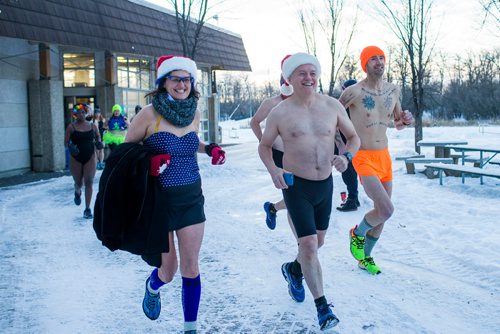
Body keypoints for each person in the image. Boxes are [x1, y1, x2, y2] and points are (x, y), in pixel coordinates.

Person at [258, 52, 360, 331]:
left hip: (324, 184)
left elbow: (353, 137)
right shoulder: (280, 112)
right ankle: (323, 308)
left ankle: (293, 269)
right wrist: (274, 171)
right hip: (295, 184)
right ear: (288, 78)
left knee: (319, 242)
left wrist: (346, 157)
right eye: (301, 73)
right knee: (309, 245)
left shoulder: (332, 106)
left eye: (312, 73)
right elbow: (264, 146)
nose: (309, 78)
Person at [124, 55, 225, 334]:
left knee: (190, 267)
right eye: (175, 78)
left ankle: (190, 328)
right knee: (168, 271)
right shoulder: (148, 114)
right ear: (163, 82)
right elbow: (124, 156)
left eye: (186, 79)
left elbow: (192, 142)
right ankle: (152, 286)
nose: (182, 84)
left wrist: (210, 149)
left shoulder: (193, 111)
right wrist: (149, 163)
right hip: (158, 201)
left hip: (191, 197)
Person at [339, 46, 414, 275]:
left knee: (381, 215)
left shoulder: (393, 90)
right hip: (362, 155)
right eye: (373, 58)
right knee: (386, 209)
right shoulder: (353, 91)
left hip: (384, 157)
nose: (379, 61)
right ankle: (357, 234)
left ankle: (366, 258)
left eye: (382, 57)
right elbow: (331, 116)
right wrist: (342, 146)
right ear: (365, 64)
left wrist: (406, 120)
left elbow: (397, 123)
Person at [250, 55, 293, 230]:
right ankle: (302, 244)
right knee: (294, 198)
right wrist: (264, 142)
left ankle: (273, 208)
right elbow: (254, 122)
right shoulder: (271, 103)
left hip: (301, 155)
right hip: (280, 155)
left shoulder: (306, 103)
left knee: (299, 196)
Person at [64, 103, 102, 219]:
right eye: (79, 112)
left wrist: (99, 143)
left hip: (90, 156)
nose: (81, 114)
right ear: (75, 114)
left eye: (83, 112)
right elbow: (65, 142)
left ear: (86, 113)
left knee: (89, 181)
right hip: (76, 157)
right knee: (79, 182)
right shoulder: (71, 127)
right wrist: (71, 147)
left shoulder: (92, 126)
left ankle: (87, 209)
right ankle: (77, 191)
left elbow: (98, 137)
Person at [334, 79, 361, 212]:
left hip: (350, 143)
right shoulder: (345, 106)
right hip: (346, 142)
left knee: (349, 171)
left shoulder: (353, 106)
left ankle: (352, 200)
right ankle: (354, 198)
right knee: (350, 171)